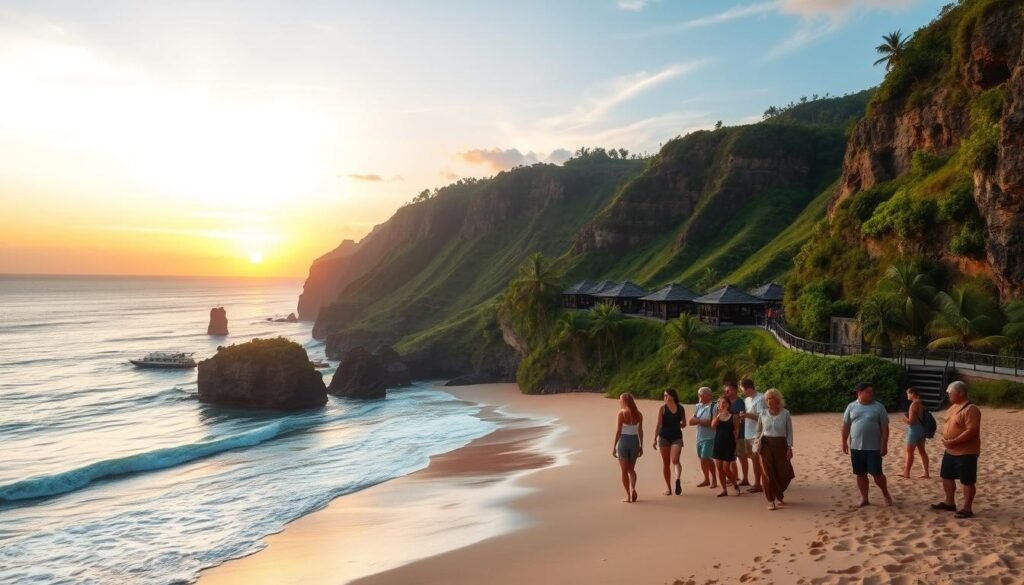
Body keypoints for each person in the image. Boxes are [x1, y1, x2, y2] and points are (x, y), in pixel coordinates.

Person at [931, 381, 981, 519]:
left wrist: (954, 441)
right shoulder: (954, 407)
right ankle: (949, 503)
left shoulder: (971, 409)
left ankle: (967, 508)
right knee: (946, 475)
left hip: (966, 451)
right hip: (950, 450)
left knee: (967, 480)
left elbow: (972, 430)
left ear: (960, 393)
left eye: (950, 393)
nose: (949, 395)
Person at [841, 382, 894, 507]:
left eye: (871, 391)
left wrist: (884, 444)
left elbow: (885, 427)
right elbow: (845, 425)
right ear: (859, 393)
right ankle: (864, 498)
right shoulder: (851, 407)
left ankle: (886, 494)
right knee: (860, 473)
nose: (871, 394)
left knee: (877, 473)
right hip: (856, 447)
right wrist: (843, 441)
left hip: (874, 447)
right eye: (868, 392)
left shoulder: (879, 407)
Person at [754, 389, 795, 510]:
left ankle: (778, 492)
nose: (768, 402)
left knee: (783, 472)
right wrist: (757, 442)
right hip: (766, 444)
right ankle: (770, 499)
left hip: (781, 444)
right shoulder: (763, 413)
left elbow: (789, 432)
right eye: (767, 400)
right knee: (767, 471)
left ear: (777, 400)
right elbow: (758, 430)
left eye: (771, 399)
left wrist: (789, 447)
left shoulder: (785, 413)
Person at [654, 388, 686, 495]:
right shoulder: (662, 408)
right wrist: (654, 438)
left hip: (676, 437)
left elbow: (684, 423)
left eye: (667, 395)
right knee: (666, 463)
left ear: (673, 396)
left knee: (675, 460)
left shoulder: (681, 408)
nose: (665, 397)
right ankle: (668, 487)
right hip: (663, 437)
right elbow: (658, 425)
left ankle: (677, 479)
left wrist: (679, 424)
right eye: (664, 396)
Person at [612, 393, 644, 503]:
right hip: (634, 442)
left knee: (624, 471)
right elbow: (640, 431)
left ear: (624, 401)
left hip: (624, 441)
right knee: (631, 469)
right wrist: (641, 446)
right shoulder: (639, 414)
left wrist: (614, 447)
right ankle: (633, 488)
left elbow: (618, 432)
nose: (619, 401)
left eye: (620, 399)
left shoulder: (622, 413)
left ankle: (628, 495)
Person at [711, 395, 741, 497]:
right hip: (718, 442)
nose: (722, 404)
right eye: (720, 403)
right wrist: (718, 416)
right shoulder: (717, 415)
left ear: (728, 404)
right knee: (719, 468)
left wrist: (735, 445)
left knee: (726, 468)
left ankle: (734, 484)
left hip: (729, 443)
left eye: (724, 402)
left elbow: (736, 431)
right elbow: (712, 427)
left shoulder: (734, 416)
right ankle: (724, 489)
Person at [740, 378, 766, 493]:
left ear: (749, 389)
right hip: (748, 433)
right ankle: (757, 483)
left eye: (743, 390)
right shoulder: (747, 400)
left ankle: (760, 484)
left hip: (757, 434)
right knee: (753, 459)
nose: (742, 392)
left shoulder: (760, 399)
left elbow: (762, 417)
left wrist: (747, 415)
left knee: (758, 459)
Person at [689, 387, 718, 488]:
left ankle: (714, 478)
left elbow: (712, 422)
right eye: (699, 394)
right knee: (701, 458)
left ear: (708, 395)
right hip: (699, 436)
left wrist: (698, 421)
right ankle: (706, 479)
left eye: (701, 395)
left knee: (706, 457)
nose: (699, 397)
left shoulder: (714, 406)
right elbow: (690, 421)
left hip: (710, 436)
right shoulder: (698, 406)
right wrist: (701, 421)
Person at [724, 382, 748, 486]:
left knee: (742, 456)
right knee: (730, 456)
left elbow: (741, 417)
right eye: (725, 390)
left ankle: (745, 479)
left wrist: (731, 417)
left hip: (739, 433)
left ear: (734, 390)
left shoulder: (740, 402)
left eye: (728, 390)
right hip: (727, 434)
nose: (726, 392)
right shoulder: (726, 402)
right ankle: (733, 476)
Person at [902, 387, 930, 479]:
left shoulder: (913, 404)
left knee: (910, 452)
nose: (907, 395)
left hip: (914, 431)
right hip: (921, 430)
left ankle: (906, 472)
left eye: (908, 393)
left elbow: (911, 421)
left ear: (913, 394)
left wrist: (904, 418)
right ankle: (926, 473)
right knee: (922, 452)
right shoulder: (921, 404)